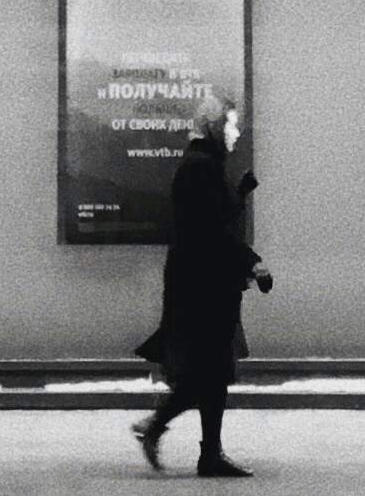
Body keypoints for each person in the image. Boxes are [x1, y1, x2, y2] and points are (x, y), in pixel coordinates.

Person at [134, 94, 271, 478]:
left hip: (202, 282)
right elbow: (212, 229)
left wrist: (240, 193)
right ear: (213, 126)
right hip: (202, 286)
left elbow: (213, 219)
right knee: (209, 371)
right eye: (230, 124)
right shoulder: (200, 167)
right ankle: (190, 444)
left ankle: (186, 442)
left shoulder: (204, 164)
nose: (236, 131)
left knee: (208, 372)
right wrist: (253, 262)